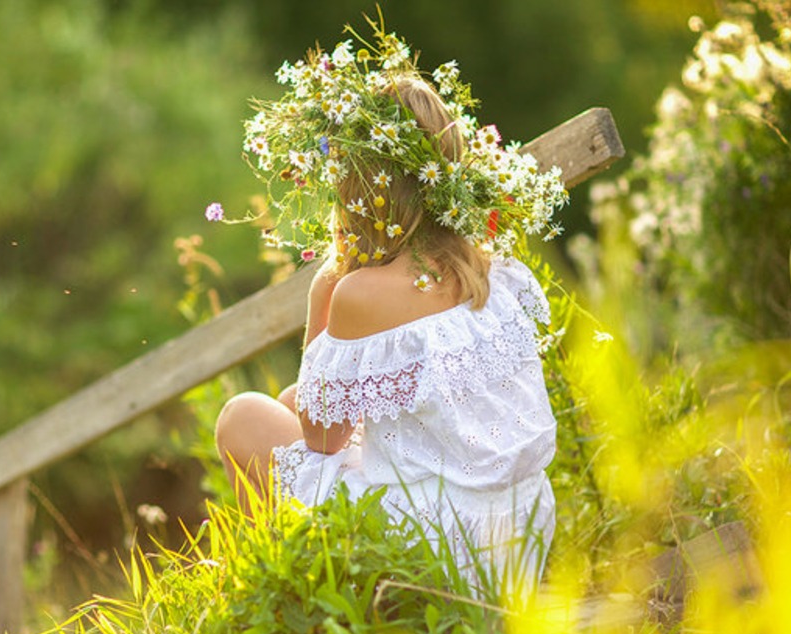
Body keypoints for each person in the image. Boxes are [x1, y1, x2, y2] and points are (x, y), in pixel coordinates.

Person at [213, 26, 567, 596]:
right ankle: (290, 592)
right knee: (287, 402)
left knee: (245, 418)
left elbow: (324, 437)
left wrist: (324, 291)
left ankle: (279, 599)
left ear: (360, 186)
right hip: (514, 536)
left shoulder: (361, 293)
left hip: (439, 555)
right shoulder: (485, 261)